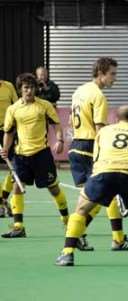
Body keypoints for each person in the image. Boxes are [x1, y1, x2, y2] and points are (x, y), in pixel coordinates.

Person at [55, 106, 128, 266]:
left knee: (81, 210)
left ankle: (67, 253)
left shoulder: (103, 132)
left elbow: (96, 159)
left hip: (104, 172)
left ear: (116, 119)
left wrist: (96, 183)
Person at [69, 57, 128, 251]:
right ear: (100, 73)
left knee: (95, 196)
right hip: (91, 147)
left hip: (76, 146)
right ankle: (80, 236)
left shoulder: (79, 90)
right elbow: (100, 130)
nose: (115, 79)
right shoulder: (98, 96)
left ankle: (110, 237)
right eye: (112, 74)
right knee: (101, 195)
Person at [1, 73, 68, 238]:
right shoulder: (13, 109)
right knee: (17, 186)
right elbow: (9, 132)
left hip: (42, 154)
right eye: (25, 88)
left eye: (31, 88)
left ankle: (67, 220)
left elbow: (56, 124)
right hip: (21, 155)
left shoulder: (44, 105)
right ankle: (18, 226)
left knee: (53, 188)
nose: (29, 91)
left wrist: (59, 140)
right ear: (20, 89)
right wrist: (6, 149)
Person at [0, 79, 18, 218]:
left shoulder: (8, 86)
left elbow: (17, 105)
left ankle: (4, 198)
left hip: (8, 131)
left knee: (14, 168)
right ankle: (1, 204)